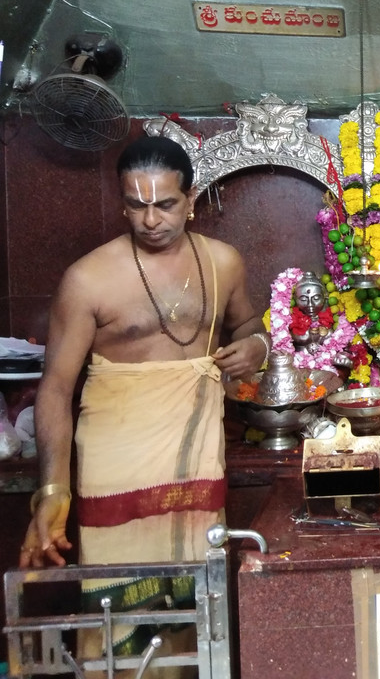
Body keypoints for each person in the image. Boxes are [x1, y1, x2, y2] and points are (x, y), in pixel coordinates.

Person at [18, 134, 269, 662]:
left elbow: (247, 322)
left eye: (165, 204)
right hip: (117, 468)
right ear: (122, 202)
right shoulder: (87, 280)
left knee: (199, 601)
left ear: (192, 200)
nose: (151, 219)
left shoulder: (223, 262)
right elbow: (56, 391)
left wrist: (255, 345)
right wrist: (52, 491)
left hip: (197, 461)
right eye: (136, 205)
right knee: (118, 610)